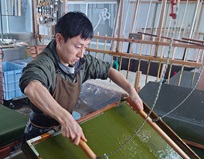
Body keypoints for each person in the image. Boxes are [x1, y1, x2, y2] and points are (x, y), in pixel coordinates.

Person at [19, 11, 143, 146]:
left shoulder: (82, 63)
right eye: (77, 46)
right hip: (40, 133)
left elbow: (109, 71)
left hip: (63, 130)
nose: (81, 54)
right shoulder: (44, 63)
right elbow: (33, 87)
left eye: (85, 47)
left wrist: (132, 91)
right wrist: (66, 118)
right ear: (59, 39)